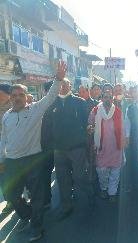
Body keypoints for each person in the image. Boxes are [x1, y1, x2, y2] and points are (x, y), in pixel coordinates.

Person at [0, 61, 66, 242]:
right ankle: (28, 214)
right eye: (14, 95)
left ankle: (36, 227)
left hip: (32, 159)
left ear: (26, 96)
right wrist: (2, 159)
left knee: (37, 196)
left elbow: (51, 96)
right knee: (12, 195)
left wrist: (58, 79)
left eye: (21, 94)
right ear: (10, 98)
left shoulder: (35, 110)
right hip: (12, 161)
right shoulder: (6, 116)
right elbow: (3, 139)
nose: (18, 97)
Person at [51, 78, 94, 221]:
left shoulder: (79, 102)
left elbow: (86, 124)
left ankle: (89, 193)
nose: (62, 86)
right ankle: (66, 206)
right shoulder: (52, 102)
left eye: (65, 84)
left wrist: (85, 139)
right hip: (58, 149)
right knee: (62, 180)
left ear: (70, 86)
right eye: (60, 84)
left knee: (79, 176)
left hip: (77, 148)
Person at [89, 83, 124, 202]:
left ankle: (112, 192)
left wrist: (124, 140)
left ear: (112, 98)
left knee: (115, 171)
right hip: (101, 147)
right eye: (105, 97)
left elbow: (123, 127)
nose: (107, 99)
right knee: (101, 170)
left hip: (116, 147)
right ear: (102, 98)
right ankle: (104, 188)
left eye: (109, 97)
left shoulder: (118, 111)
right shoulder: (95, 111)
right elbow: (90, 124)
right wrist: (90, 128)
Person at [40, 81, 55, 210]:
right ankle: (46, 199)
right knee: (45, 173)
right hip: (46, 147)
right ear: (45, 92)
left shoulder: (64, 103)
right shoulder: (40, 106)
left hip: (63, 146)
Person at [0, 84, 13, 214]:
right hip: (1, 147)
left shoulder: (15, 106)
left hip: (14, 146)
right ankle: (10, 200)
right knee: (3, 175)